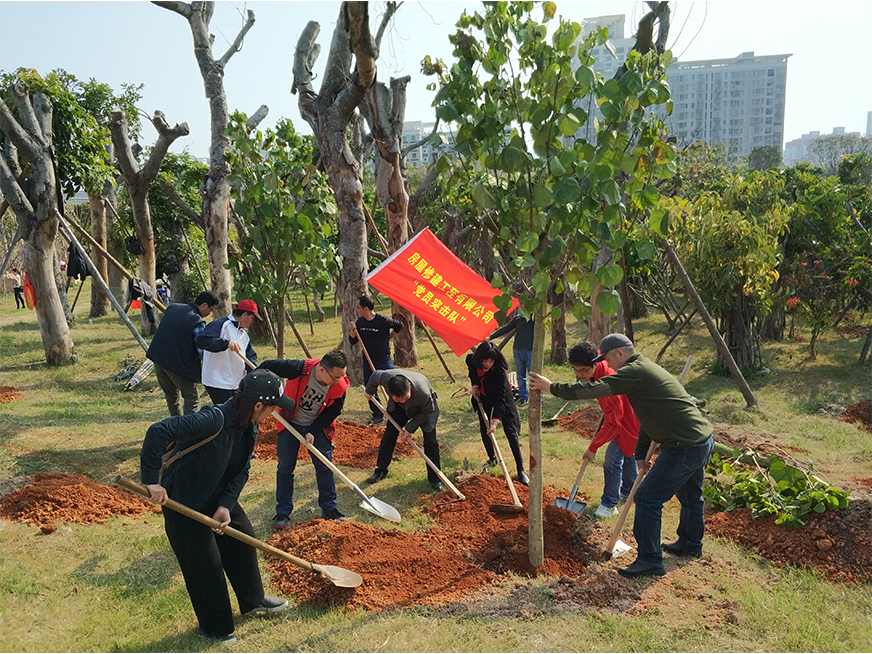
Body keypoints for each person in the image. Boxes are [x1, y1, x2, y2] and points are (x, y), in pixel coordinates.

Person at [529, 334, 714, 579]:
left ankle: (650, 560)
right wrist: (640, 453)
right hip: (701, 438)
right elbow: (648, 415)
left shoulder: (633, 371)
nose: (608, 365)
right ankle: (690, 543)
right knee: (690, 496)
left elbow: (595, 388)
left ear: (619, 353)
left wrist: (551, 387)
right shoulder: (644, 369)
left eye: (607, 359)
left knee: (646, 498)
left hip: (684, 445)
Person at [139, 369, 292, 644]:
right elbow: (159, 431)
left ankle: (253, 600)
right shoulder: (213, 419)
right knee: (204, 565)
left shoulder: (250, 425)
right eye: (273, 408)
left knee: (242, 539)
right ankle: (215, 626)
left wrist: (225, 505)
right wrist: (151, 481)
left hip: (216, 491)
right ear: (258, 406)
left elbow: (241, 470)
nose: (274, 413)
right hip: (183, 499)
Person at [258, 350, 351, 529]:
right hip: (289, 422)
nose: (339, 380)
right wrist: (256, 380)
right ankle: (283, 512)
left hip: (318, 427)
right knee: (285, 468)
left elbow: (333, 412)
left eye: (342, 376)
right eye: (335, 377)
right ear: (322, 370)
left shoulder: (340, 386)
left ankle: (329, 508)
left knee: (325, 467)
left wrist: (312, 431)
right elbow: (268, 366)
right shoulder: (300, 369)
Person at [566, 341, 640, 518]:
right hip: (628, 412)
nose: (580, 375)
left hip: (630, 420)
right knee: (628, 454)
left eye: (584, 371)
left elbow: (615, 423)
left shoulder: (606, 382)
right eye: (576, 370)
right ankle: (629, 491)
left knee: (612, 460)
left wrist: (593, 447)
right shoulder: (597, 361)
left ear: (595, 363)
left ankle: (610, 504)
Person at [363, 369, 443, 491]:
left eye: (405, 397)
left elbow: (427, 412)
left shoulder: (423, 393)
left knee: (431, 441)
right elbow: (374, 376)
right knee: (389, 436)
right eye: (398, 399)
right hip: (399, 409)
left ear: (409, 387)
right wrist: (369, 391)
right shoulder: (386, 377)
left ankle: (435, 478)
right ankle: (380, 471)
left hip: (424, 410)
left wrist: (409, 428)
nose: (403, 401)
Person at [147, 291, 219, 416]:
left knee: (171, 396)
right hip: (177, 363)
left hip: (158, 358)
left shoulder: (173, 308)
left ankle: (176, 424)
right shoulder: (197, 322)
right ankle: (189, 426)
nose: (210, 314)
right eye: (211, 309)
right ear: (204, 305)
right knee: (192, 397)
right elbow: (201, 349)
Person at [466, 340, 528, 485]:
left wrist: (495, 422)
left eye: (491, 361)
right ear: (479, 359)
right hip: (483, 397)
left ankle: (521, 469)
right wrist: (475, 385)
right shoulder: (472, 361)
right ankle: (492, 458)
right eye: (485, 361)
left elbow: (500, 401)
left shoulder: (499, 372)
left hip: (502, 397)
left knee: (510, 431)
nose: (488, 364)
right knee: (484, 428)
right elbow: (473, 373)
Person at [348, 295, 404, 424]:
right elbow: (353, 341)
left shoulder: (382, 320)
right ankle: (377, 414)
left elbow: (399, 325)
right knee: (370, 389)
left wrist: (389, 337)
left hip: (384, 361)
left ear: (366, 308)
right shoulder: (360, 322)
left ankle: (396, 412)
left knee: (393, 386)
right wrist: (352, 330)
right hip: (368, 362)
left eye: (358, 307)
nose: (357, 310)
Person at [196, 299, 261, 404]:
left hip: (234, 384)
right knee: (229, 412)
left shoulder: (244, 335)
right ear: (245, 315)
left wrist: (256, 372)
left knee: (236, 410)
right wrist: (225, 344)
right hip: (217, 381)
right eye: (252, 318)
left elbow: (250, 356)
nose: (252, 321)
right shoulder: (221, 324)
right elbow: (202, 341)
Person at [488, 304, 534, 406]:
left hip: (531, 350)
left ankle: (537, 398)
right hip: (518, 350)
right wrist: (491, 337)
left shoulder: (535, 318)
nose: (523, 305)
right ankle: (523, 397)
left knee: (533, 375)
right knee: (520, 375)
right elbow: (505, 329)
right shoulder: (518, 318)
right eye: (522, 303)